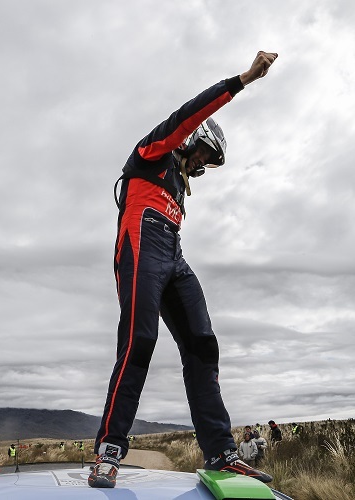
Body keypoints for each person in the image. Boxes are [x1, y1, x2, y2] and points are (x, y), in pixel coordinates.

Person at [88, 50, 278, 489]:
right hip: (141, 244)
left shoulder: (179, 185)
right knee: (141, 338)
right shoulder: (152, 153)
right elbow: (187, 113)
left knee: (202, 344)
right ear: (192, 140)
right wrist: (244, 80)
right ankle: (109, 451)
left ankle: (222, 453)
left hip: (172, 252)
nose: (202, 165)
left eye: (209, 163)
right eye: (204, 155)